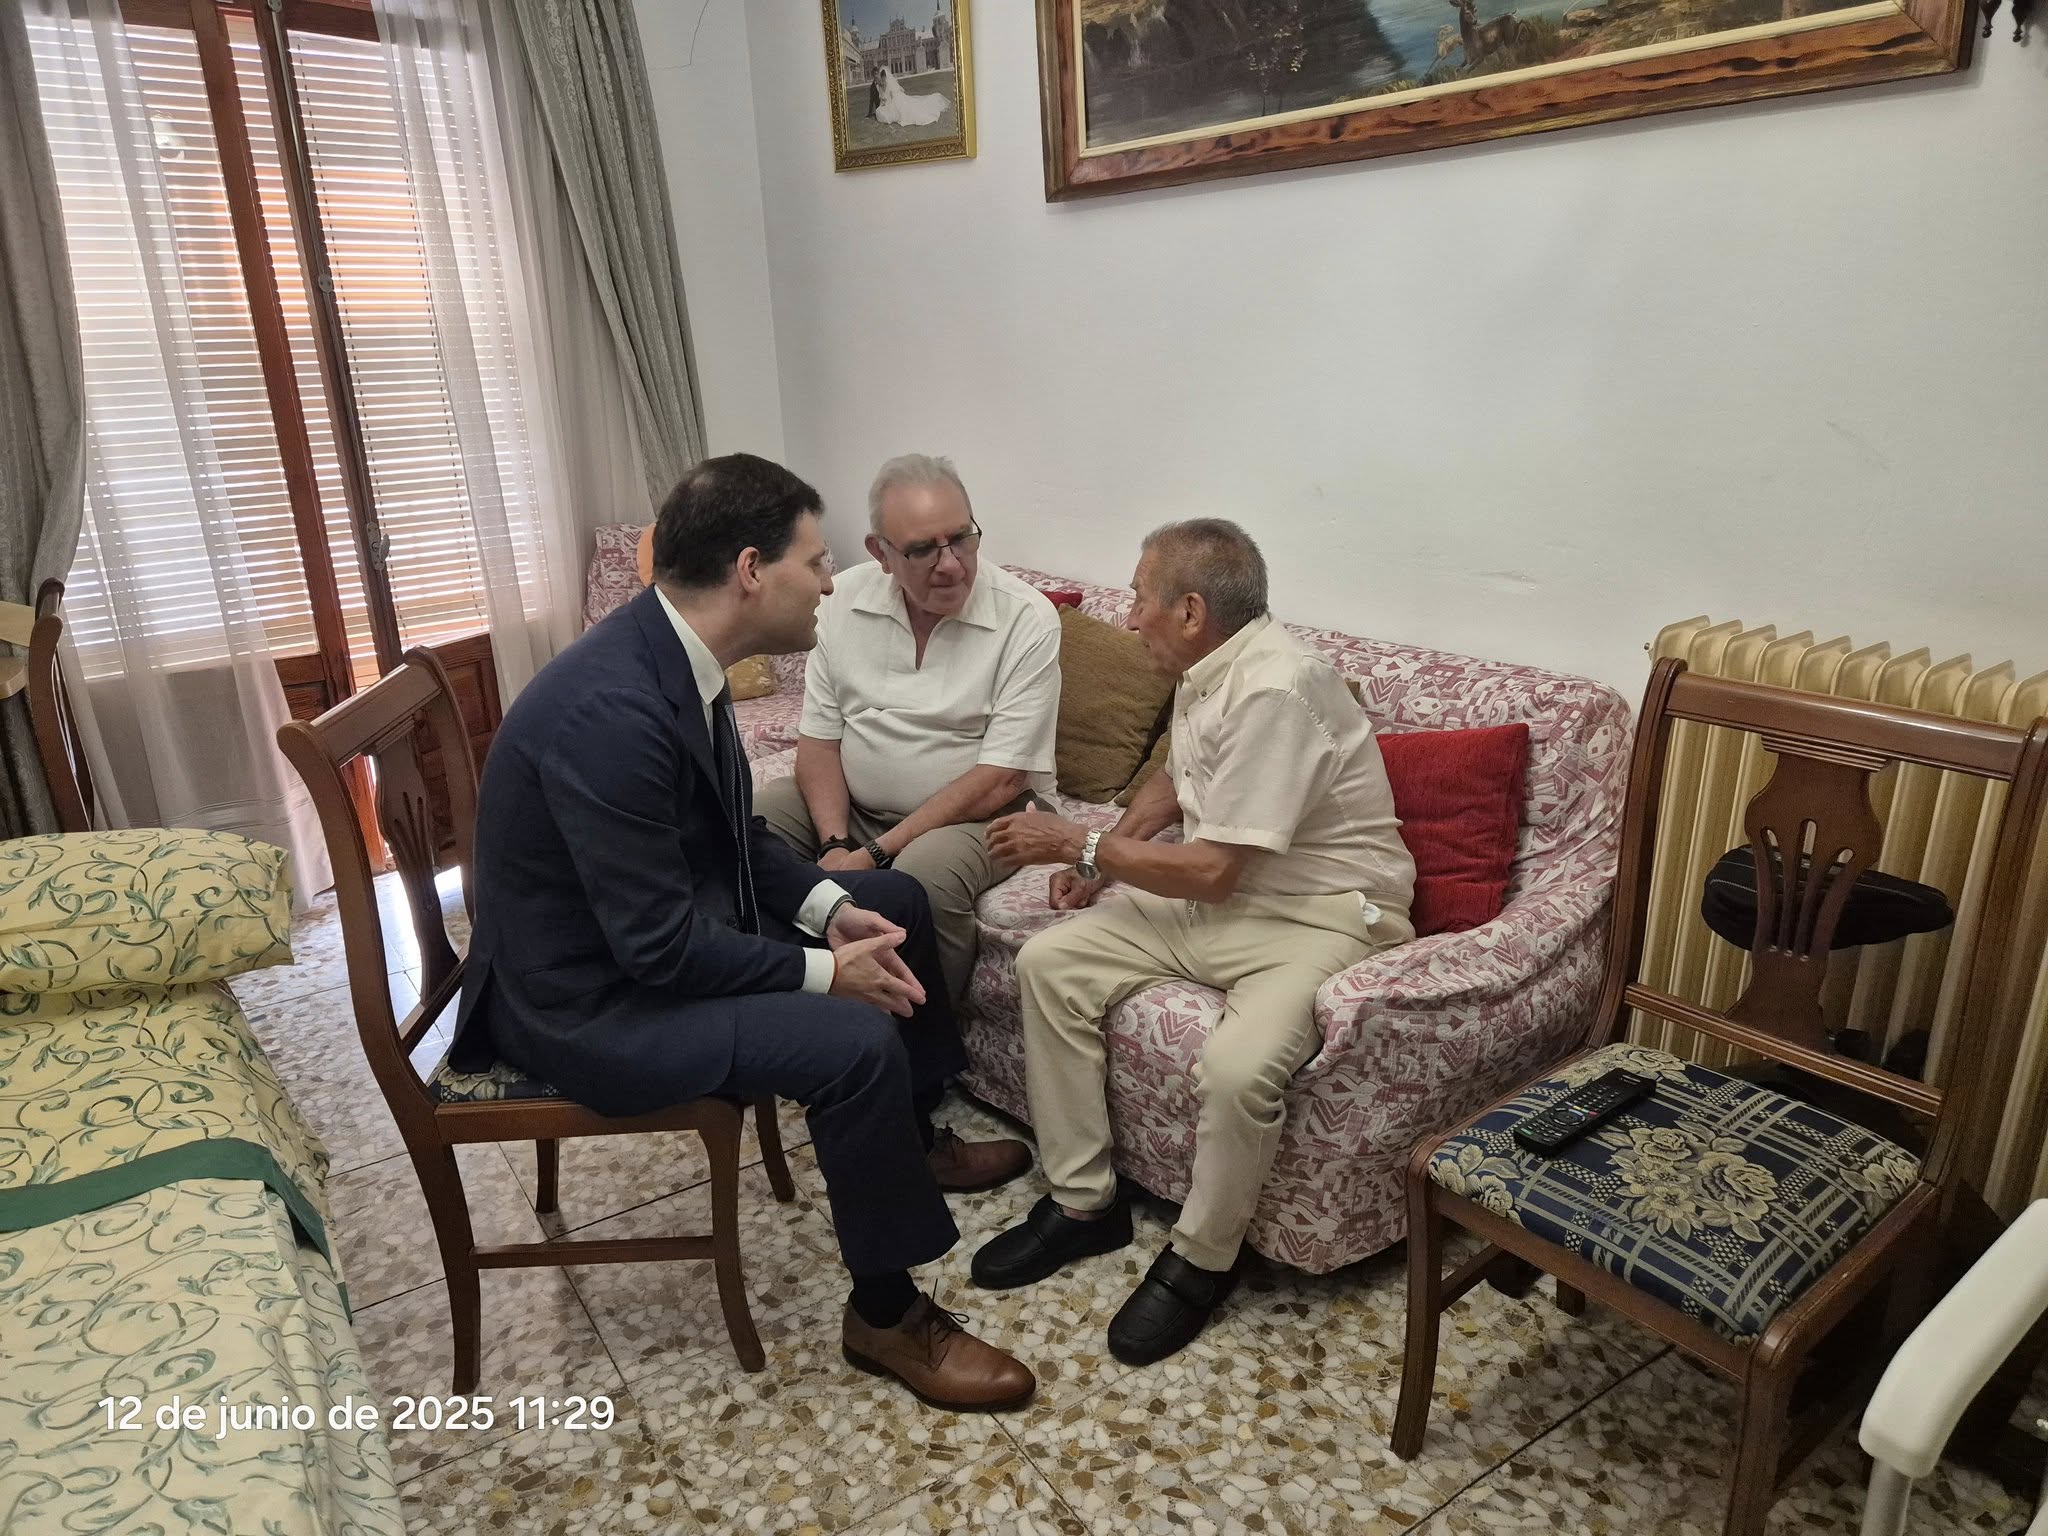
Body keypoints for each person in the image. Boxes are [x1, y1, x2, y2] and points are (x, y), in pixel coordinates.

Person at [450, 453, 1033, 1411]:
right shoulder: (612, 710)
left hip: (641, 948)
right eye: (818, 561)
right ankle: (886, 1316)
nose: (832, 583)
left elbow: (735, 836)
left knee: (896, 901)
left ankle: (910, 1138)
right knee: (847, 1042)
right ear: (752, 570)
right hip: (587, 1006)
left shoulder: (677, 656)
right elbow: (660, 951)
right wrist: (826, 975)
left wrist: (832, 910)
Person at [971, 519, 1417, 1366]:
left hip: (1318, 916)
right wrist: (1101, 865)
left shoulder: (1278, 688)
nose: (1129, 615)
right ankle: (1083, 1205)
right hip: (1232, 902)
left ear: (1190, 610)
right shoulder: (1204, 668)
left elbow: (1209, 872)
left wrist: (1077, 843)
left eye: (1140, 597)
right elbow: (1178, 779)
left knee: (1239, 1068)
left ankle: (1201, 1261)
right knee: (1050, 962)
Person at [756, 454, 1060, 1026]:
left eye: (961, 539)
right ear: (881, 553)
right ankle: (787, 1004)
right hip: (857, 808)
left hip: (987, 814)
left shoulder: (1027, 618)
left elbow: (1002, 778)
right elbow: (819, 741)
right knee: (755, 822)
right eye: (923, 550)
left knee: (923, 874)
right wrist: (833, 843)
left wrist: (872, 854)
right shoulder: (841, 599)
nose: (951, 565)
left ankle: (921, 1042)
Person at [875, 64, 948, 127]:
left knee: (907, 110)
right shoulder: (879, 86)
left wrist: (888, 103)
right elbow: (882, 97)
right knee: (880, 111)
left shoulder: (889, 85)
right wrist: (883, 103)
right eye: (881, 78)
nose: (882, 80)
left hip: (895, 100)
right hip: (889, 102)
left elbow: (892, 97)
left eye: (883, 78)